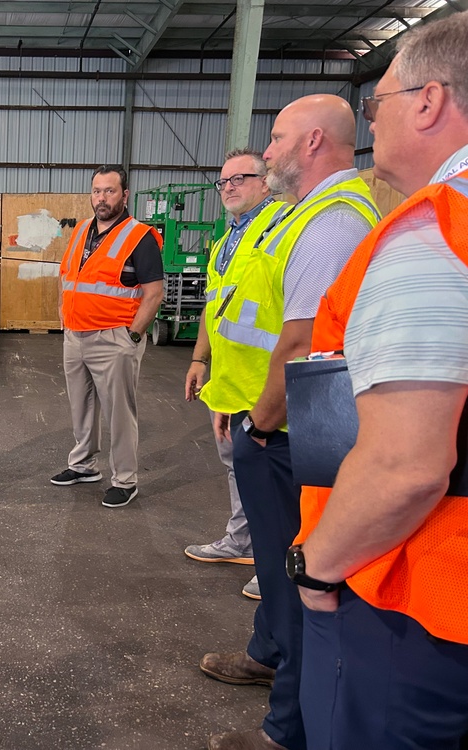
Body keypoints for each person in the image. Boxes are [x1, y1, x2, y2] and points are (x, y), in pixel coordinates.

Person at [294, 14, 468, 748]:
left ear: (429, 101)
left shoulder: (435, 234)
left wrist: (316, 567)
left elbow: (405, 467)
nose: (373, 122)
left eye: (378, 103)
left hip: (424, 600)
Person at [200, 96, 380, 750]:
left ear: (312, 142)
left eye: (276, 138)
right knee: (279, 574)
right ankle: (268, 652)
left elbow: (302, 343)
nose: (267, 150)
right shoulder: (298, 214)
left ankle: (287, 728)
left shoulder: (332, 222)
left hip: (288, 432)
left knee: (297, 573)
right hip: (272, 418)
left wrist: (260, 423)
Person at [185, 149, 289, 601]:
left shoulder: (281, 230)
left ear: (265, 182)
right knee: (239, 470)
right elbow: (215, 306)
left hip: (270, 383)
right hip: (231, 379)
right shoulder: (226, 240)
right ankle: (243, 542)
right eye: (223, 181)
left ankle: (278, 565)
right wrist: (199, 360)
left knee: (275, 479)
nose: (228, 187)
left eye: (239, 178)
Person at [52, 165, 164, 508]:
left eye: (110, 191)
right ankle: (83, 465)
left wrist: (133, 337)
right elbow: (67, 276)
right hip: (76, 336)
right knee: (81, 406)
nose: (102, 198)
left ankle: (125, 480)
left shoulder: (140, 236)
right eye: (97, 191)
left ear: (125, 195)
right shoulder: (81, 230)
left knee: (119, 414)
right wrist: (63, 313)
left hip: (114, 339)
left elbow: (154, 294)